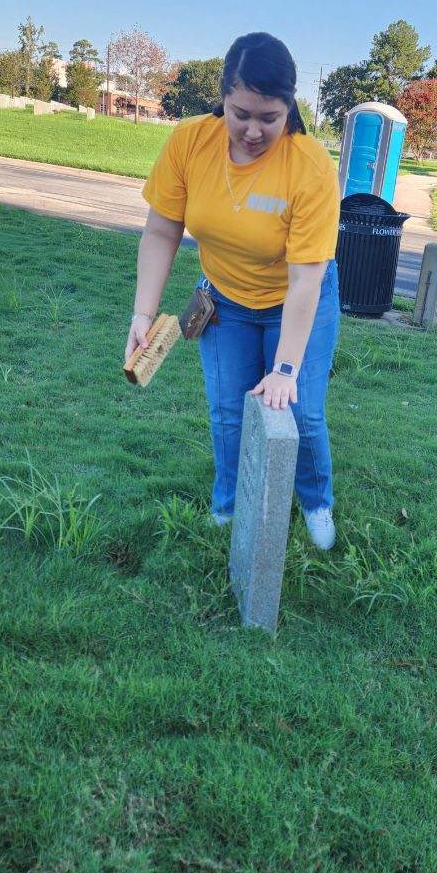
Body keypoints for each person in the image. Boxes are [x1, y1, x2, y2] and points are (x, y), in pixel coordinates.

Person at [124, 32, 341, 550]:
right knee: (227, 410)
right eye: (241, 113)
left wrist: (285, 367)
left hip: (295, 298)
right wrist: (143, 313)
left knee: (301, 409)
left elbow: (306, 276)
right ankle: (229, 503)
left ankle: (315, 501)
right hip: (225, 300)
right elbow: (161, 230)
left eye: (270, 117)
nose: (253, 130)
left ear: (290, 106)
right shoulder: (189, 142)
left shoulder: (309, 165)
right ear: (223, 96)